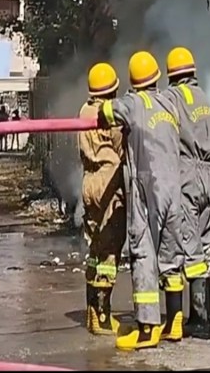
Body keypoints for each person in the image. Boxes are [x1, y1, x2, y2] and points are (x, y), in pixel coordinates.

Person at [97, 51, 183, 351]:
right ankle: (175, 320)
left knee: (143, 253)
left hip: (147, 186)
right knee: (172, 253)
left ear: (133, 83)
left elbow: (106, 112)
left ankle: (148, 329)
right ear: (157, 78)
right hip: (175, 186)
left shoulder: (133, 103)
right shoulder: (170, 101)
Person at [162, 47, 210, 340]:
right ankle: (203, 317)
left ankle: (198, 321)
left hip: (189, 173)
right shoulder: (203, 96)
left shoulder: (173, 97)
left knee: (188, 247)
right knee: (204, 247)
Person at [78, 63, 127, 336]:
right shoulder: (112, 114)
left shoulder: (83, 111)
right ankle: (103, 314)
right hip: (109, 181)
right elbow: (122, 147)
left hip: (88, 181)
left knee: (95, 248)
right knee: (109, 250)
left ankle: (89, 310)